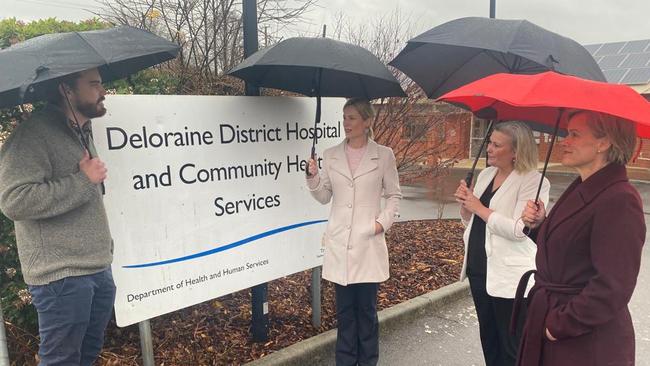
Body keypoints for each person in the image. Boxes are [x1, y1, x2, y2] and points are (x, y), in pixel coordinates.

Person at [0, 68, 116, 365]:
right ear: (67, 90)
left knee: (87, 355)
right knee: (61, 360)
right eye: (93, 85)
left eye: (100, 84)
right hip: (61, 276)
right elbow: (14, 201)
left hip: (97, 267)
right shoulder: (34, 134)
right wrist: (82, 180)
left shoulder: (80, 130)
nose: (102, 91)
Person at [517, 110, 645, 366]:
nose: (565, 140)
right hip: (562, 329)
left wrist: (557, 326)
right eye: (566, 133)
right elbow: (572, 251)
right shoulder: (583, 185)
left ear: (603, 142)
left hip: (585, 344)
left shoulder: (620, 199)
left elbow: (612, 287)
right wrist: (540, 226)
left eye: (574, 134)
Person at [306, 98, 401, 366]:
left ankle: (368, 361)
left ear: (367, 122)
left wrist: (381, 223)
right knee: (345, 313)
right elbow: (324, 196)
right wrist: (312, 177)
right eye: (344, 117)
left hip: (367, 243)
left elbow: (394, 195)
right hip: (340, 244)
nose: (346, 123)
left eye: (352, 118)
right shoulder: (330, 154)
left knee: (367, 313)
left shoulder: (384, 155)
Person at [454, 121, 550, 366]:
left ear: (516, 151)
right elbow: (472, 223)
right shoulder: (487, 174)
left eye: (497, 145)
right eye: (490, 143)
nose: (489, 149)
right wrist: (465, 205)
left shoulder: (533, 181)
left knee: (511, 344)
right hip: (479, 269)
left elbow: (519, 230)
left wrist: (479, 207)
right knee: (489, 338)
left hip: (509, 277)